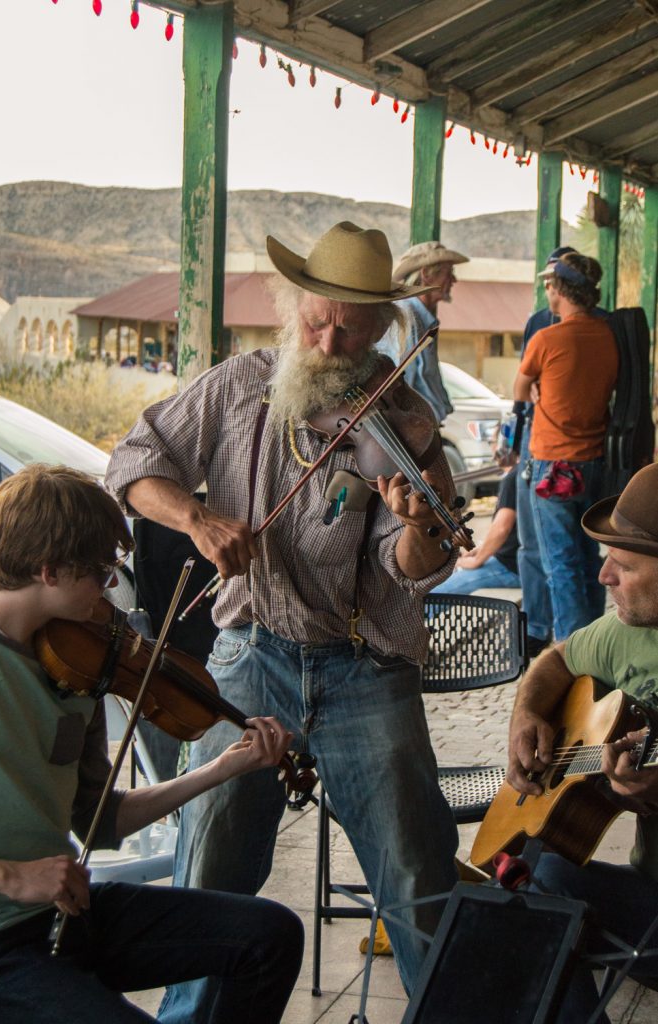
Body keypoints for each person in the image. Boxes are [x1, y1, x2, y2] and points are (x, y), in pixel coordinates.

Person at [105, 221, 461, 1015]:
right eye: (316, 321)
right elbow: (133, 462)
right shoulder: (238, 387)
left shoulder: (402, 424)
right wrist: (196, 522)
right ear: (292, 306)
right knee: (211, 872)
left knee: (416, 874)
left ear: (380, 333)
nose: (330, 341)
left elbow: (406, 572)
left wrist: (416, 526)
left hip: (364, 666)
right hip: (250, 656)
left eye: (351, 329)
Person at [0, 464, 303, 1024]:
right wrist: (13, 877)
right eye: (101, 571)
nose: (112, 588)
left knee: (269, 935)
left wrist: (223, 768)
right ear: (49, 571)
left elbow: (100, 822)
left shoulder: (80, 664)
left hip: (66, 913)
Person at [507, 461, 658, 1021]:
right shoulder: (628, 631)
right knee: (528, 870)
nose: (604, 577)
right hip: (649, 900)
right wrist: (527, 714)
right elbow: (555, 660)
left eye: (624, 563)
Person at [514, 252, 618, 641]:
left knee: (560, 563)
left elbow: (520, 390)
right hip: (595, 464)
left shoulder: (547, 338)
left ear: (559, 290)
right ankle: (595, 642)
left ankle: (572, 653)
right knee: (589, 557)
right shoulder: (609, 335)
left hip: (553, 469)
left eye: (549, 284)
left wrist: (539, 386)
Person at [513, 246, 579, 658]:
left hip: (559, 449)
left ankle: (570, 640)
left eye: (554, 281)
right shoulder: (538, 323)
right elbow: (521, 389)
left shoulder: (592, 327)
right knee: (530, 544)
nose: (550, 288)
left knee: (564, 551)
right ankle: (537, 627)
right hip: (531, 440)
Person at [378, 240, 469, 424]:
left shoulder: (421, 319)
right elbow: (402, 386)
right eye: (448, 273)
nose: (454, 280)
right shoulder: (408, 318)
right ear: (426, 274)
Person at [432, 463, 520, 595]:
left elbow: (502, 528)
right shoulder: (529, 470)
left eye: (495, 441)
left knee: (431, 596)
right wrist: (481, 550)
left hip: (512, 568)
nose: (493, 444)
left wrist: (477, 560)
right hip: (514, 562)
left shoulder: (514, 476)